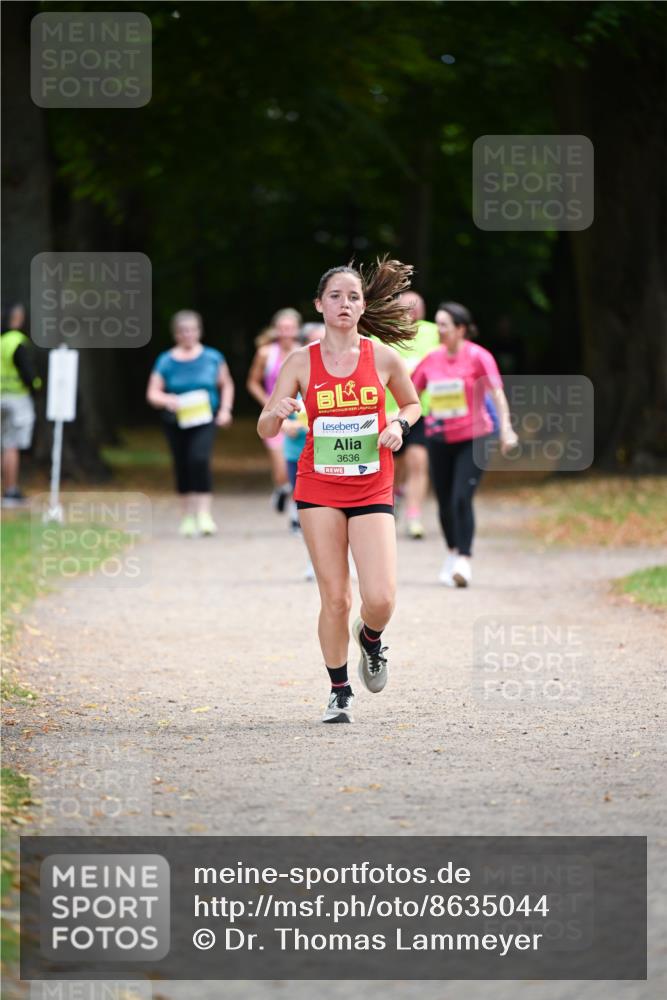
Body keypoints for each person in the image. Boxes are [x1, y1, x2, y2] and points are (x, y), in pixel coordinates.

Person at [258, 259, 421, 724]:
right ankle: (339, 689)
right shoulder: (299, 361)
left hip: (372, 483)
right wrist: (280, 409)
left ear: (363, 305)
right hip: (319, 485)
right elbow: (265, 425)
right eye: (335, 296)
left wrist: (397, 423)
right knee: (335, 597)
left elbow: (412, 403)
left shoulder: (382, 357)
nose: (344, 304)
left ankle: (369, 638)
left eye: (353, 297)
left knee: (382, 597)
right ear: (320, 305)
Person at [411, 301, 518, 587]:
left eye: (444, 324)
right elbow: (409, 391)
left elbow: (497, 394)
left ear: (460, 329)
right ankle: (452, 553)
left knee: (461, 497)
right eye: (437, 323)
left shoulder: (478, 357)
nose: (438, 330)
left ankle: (464, 560)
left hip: (475, 435)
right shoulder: (431, 359)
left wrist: (506, 428)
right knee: (444, 503)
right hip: (438, 436)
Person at [146, 310, 234, 537]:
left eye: (191, 330)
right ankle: (186, 516)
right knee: (182, 463)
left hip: (204, 418)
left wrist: (225, 410)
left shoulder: (213, 357)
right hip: (175, 419)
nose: (187, 335)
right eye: (183, 331)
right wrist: (167, 399)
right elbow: (152, 393)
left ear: (199, 331)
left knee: (199, 459)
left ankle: (204, 514)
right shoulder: (166, 360)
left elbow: (226, 385)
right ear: (176, 334)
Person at [386, 291, 439, 539]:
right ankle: (393, 501)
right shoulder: (383, 332)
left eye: (417, 306)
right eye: (406, 306)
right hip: (389, 413)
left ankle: (414, 515)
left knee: (419, 461)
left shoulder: (433, 332)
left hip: (422, 410)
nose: (412, 310)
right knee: (394, 468)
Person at [247, 308, 301, 513]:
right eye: (282, 328)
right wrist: (268, 404)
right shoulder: (266, 353)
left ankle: (295, 514)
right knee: (281, 470)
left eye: (290, 328)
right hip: (274, 415)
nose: (286, 332)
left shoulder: (304, 351)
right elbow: (252, 382)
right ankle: (281, 488)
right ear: (276, 329)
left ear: (297, 330)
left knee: (295, 465)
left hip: (299, 414)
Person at [1, 304, 42, 507]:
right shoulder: (16, 342)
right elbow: (27, 373)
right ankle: (10, 491)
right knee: (11, 445)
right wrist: (36, 386)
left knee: (4, 444)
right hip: (16, 399)